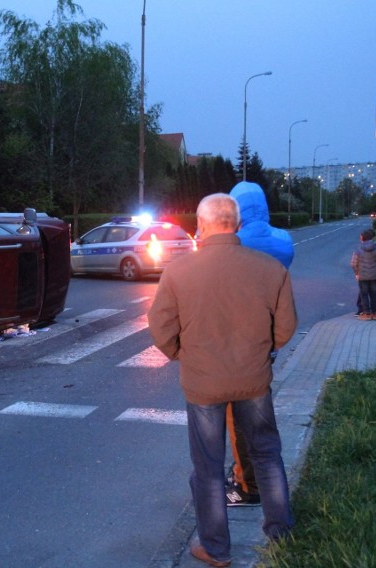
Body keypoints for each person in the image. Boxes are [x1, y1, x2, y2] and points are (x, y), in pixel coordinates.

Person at [148, 193, 297, 566]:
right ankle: (281, 535)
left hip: (203, 384)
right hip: (254, 380)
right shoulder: (270, 269)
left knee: (208, 466)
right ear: (238, 224)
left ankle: (215, 549)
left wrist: (186, 356)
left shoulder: (179, 271)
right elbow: (286, 328)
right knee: (266, 454)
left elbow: (161, 329)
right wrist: (260, 353)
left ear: (201, 225)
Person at [224, 181, 294, 507]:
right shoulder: (283, 243)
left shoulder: (233, 244)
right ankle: (268, 484)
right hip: (265, 346)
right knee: (262, 421)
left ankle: (247, 485)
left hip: (237, 348)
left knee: (237, 420)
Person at [351, 228, 376, 321]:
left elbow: (353, 263)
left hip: (362, 276)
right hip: (374, 276)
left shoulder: (358, 250)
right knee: (374, 294)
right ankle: (375, 313)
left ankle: (367, 313)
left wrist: (357, 273)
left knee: (364, 294)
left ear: (363, 238)